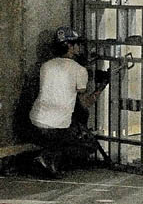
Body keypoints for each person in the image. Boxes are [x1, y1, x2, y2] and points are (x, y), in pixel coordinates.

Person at [29, 27, 103, 177]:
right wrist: (99, 90)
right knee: (88, 145)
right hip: (56, 126)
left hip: (35, 121)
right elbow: (84, 104)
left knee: (64, 128)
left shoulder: (46, 65)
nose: (79, 47)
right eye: (77, 44)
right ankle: (47, 159)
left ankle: (48, 157)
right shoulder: (79, 70)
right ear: (69, 46)